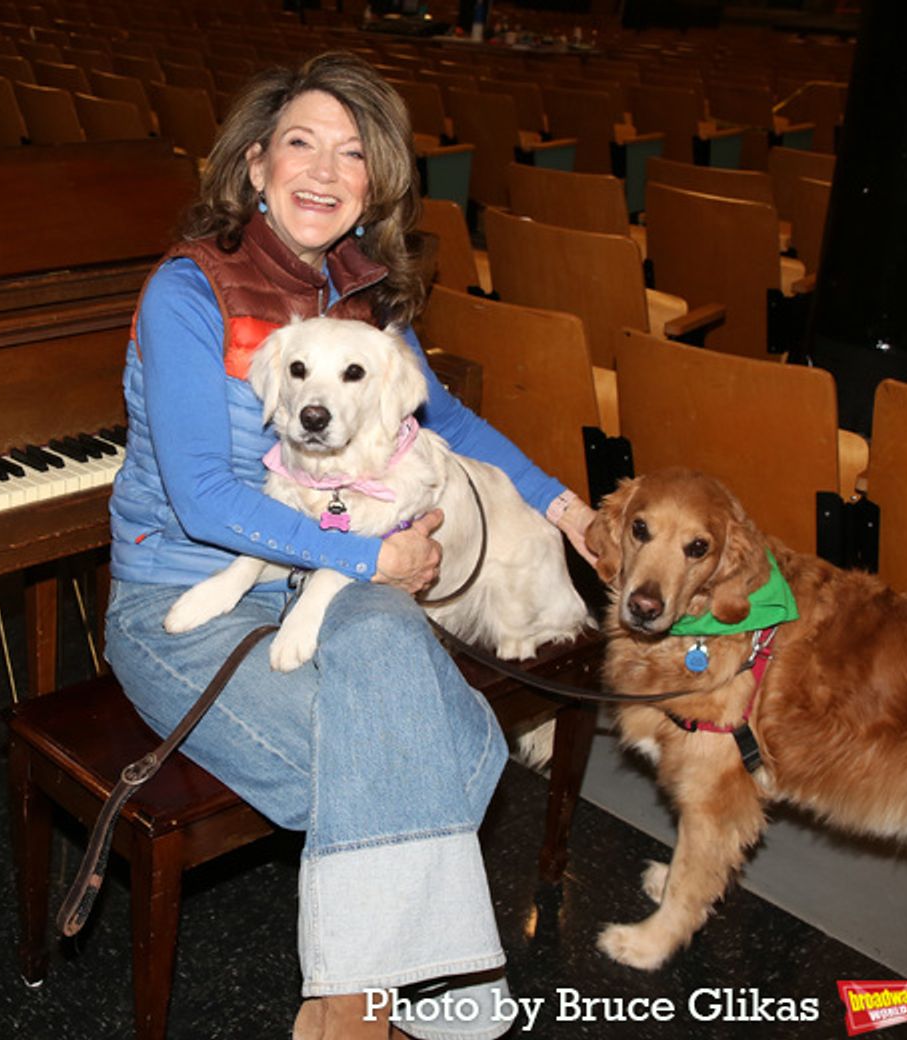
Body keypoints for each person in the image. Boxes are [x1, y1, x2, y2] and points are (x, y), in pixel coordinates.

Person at [104, 51, 595, 1040]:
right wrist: (369, 561)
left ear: (373, 186)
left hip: (320, 577)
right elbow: (202, 498)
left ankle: (340, 1006)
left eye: (351, 154)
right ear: (253, 164)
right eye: (300, 144)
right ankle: (379, 1003)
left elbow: (446, 420)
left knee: (424, 733)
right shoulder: (186, 293)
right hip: (186, 596)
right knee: (450, 749)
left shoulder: (354, 299)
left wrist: (560, 507)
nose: (325, 170)